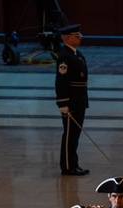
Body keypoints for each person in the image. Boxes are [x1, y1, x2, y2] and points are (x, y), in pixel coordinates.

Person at [54, 23, 88, 176]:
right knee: (70, 135)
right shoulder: (65, 57)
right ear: (68, 38)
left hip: (79, 100)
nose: (79, 38)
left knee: (75, 134)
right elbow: (61, 82)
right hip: (71, 101)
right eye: (76, 36)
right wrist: (62, 103)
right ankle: (67, 166)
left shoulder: (76, 54)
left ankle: (73, 163)